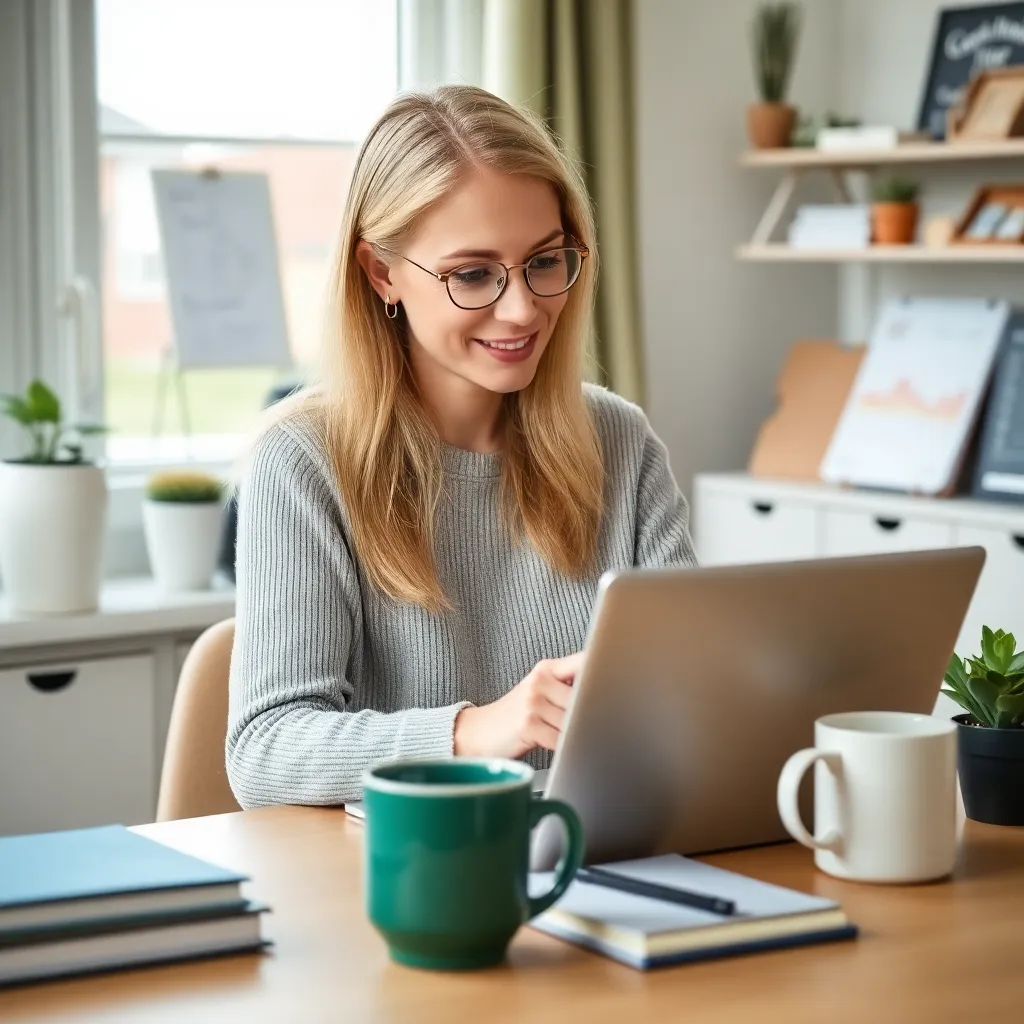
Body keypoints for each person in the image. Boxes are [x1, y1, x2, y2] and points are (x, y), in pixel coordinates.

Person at [226, 85, 696, 809]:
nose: (523, 308)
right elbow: (266, 750)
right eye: (473, 274)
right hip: (408, 862)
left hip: (599, 852)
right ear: (381, 273)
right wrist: (473, 732)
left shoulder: (619, 441)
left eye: (545, 261)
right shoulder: (303, 460)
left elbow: (691, 695)